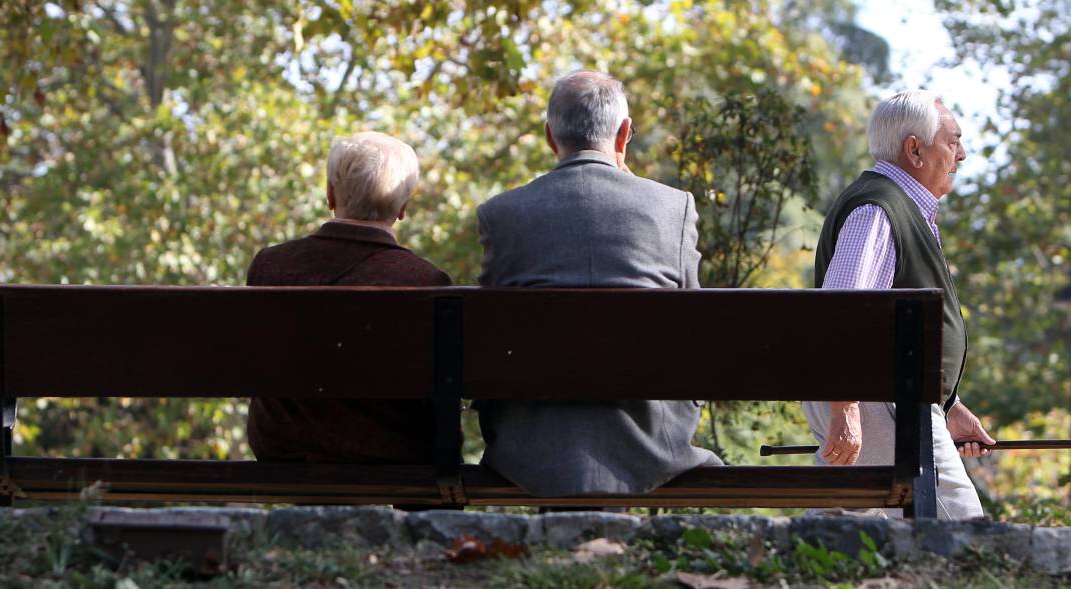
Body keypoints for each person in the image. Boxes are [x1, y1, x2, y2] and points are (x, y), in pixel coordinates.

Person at [474, 71, 722, 497]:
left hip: (530, 445)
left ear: (550, 137)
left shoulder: (502, 214)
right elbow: (694, 332)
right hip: (649, 444)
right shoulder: (672, 207)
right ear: (624, 133)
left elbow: (488, 335)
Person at [805, 90, 994, 519]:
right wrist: (845, 406)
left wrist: (947, 405)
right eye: (953, 141)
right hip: (880, 396)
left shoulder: (898, 206)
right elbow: (840, 315)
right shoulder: (879, 208)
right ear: (914, 149)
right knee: (962, 533)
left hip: (889, 396)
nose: (961, 154)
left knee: (845, 527)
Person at [246, 131, 451, 464]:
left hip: (282, 446)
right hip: (391, 451)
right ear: (403, 208)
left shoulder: (270, 266)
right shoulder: (425, 282)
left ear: (330, 194)